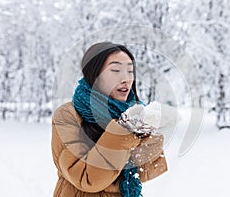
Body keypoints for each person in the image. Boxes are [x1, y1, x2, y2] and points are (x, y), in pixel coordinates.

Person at [51, 41, 168, 197]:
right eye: (115, 70)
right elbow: (87, 179)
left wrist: (148, 131)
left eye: (130, 71)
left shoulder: (134, 113)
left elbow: (147, 170)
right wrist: (124, 131)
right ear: (94, 76)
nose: (126, 79)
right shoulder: (68, 115)